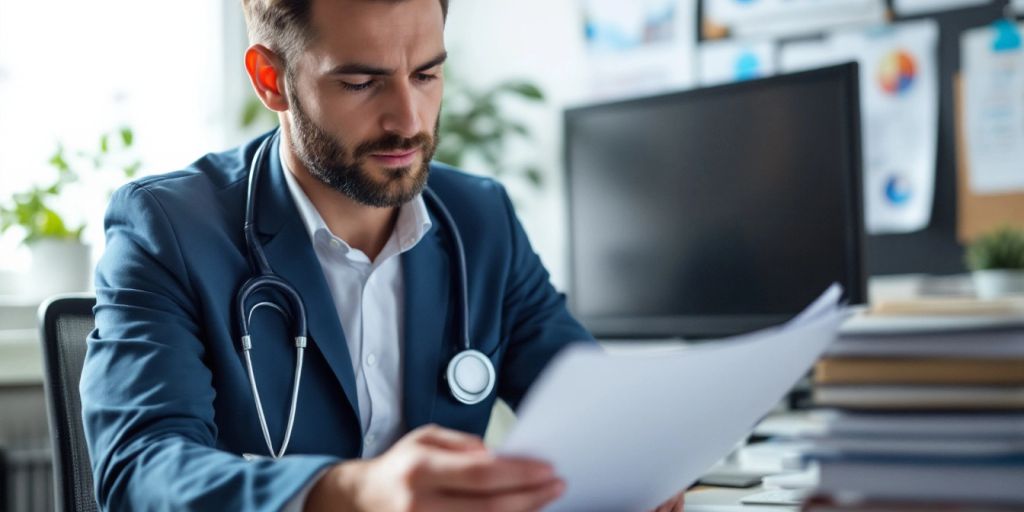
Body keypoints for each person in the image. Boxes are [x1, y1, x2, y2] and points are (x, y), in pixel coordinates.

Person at [81, 0, 685, 510]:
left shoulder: (481, 220)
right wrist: (351, 493)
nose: (408, 120)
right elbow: (139, 468)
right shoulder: (167, 228)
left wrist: (639, 454)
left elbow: (587, 402)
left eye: (426, 75)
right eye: (361, 82)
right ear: (271, 80)